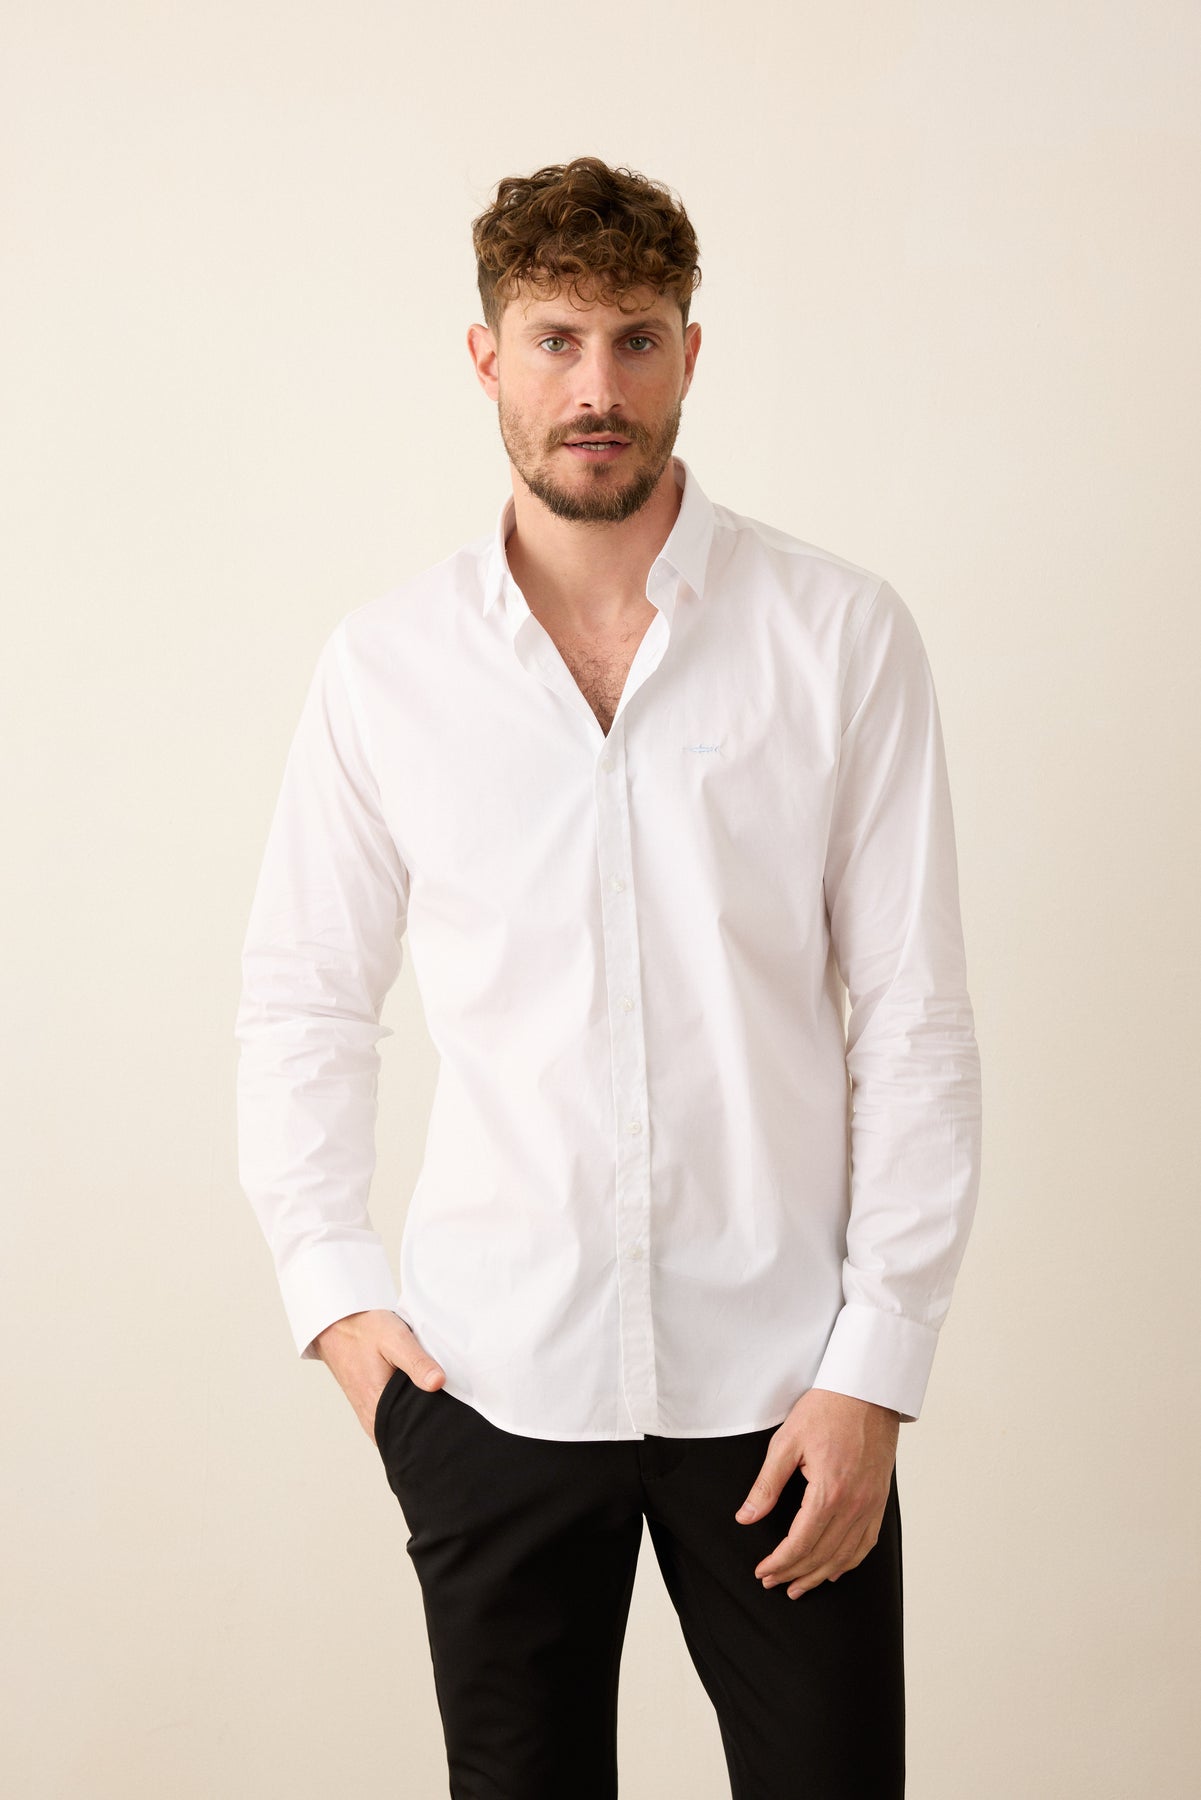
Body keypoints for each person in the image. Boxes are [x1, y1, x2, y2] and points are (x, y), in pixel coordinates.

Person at [235, 155, 982, 1799]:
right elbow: (304, 1000)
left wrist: (875, 1371)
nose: (596, 387)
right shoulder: (385, 668)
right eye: (555, 339)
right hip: (491, 1383)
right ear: (486, 358)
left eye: (635, 339)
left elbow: (914, 1019)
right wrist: (341, 1312)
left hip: (783, 1387)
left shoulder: (837, 636)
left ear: (688, 355)